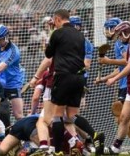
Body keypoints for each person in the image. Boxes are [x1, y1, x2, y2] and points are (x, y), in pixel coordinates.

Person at [43, 9, 104, 156]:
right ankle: (94, 134)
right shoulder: (80, 35)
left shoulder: (57, 33)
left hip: (63, 76)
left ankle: (57, 151)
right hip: (79, 78)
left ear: (57, 19)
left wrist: (51, 33)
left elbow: (48, 53)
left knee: (57, 115)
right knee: (71, 115)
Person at [95, 17, 130, 153]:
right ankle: (116, 148)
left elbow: (129, 67)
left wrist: (113, 78)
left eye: (120, 34)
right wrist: (105, 78)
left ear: (126, 33)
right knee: (123, 118)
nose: (119, 37)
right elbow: (124, 67)